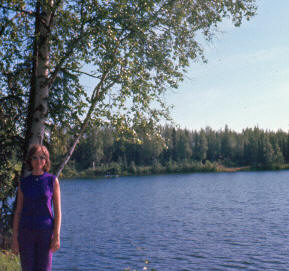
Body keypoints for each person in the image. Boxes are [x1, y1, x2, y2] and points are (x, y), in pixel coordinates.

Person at [12, 144, 62, 271]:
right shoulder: (24, 182)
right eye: (35, 157)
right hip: (26, 233)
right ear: (30, 160)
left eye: (42, 157)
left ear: (46, 160)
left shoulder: (52, 180)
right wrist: (15, 239)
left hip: (45, 234)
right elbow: (18, 212)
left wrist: (56, 235)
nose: (38, 160)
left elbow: (58, 211)